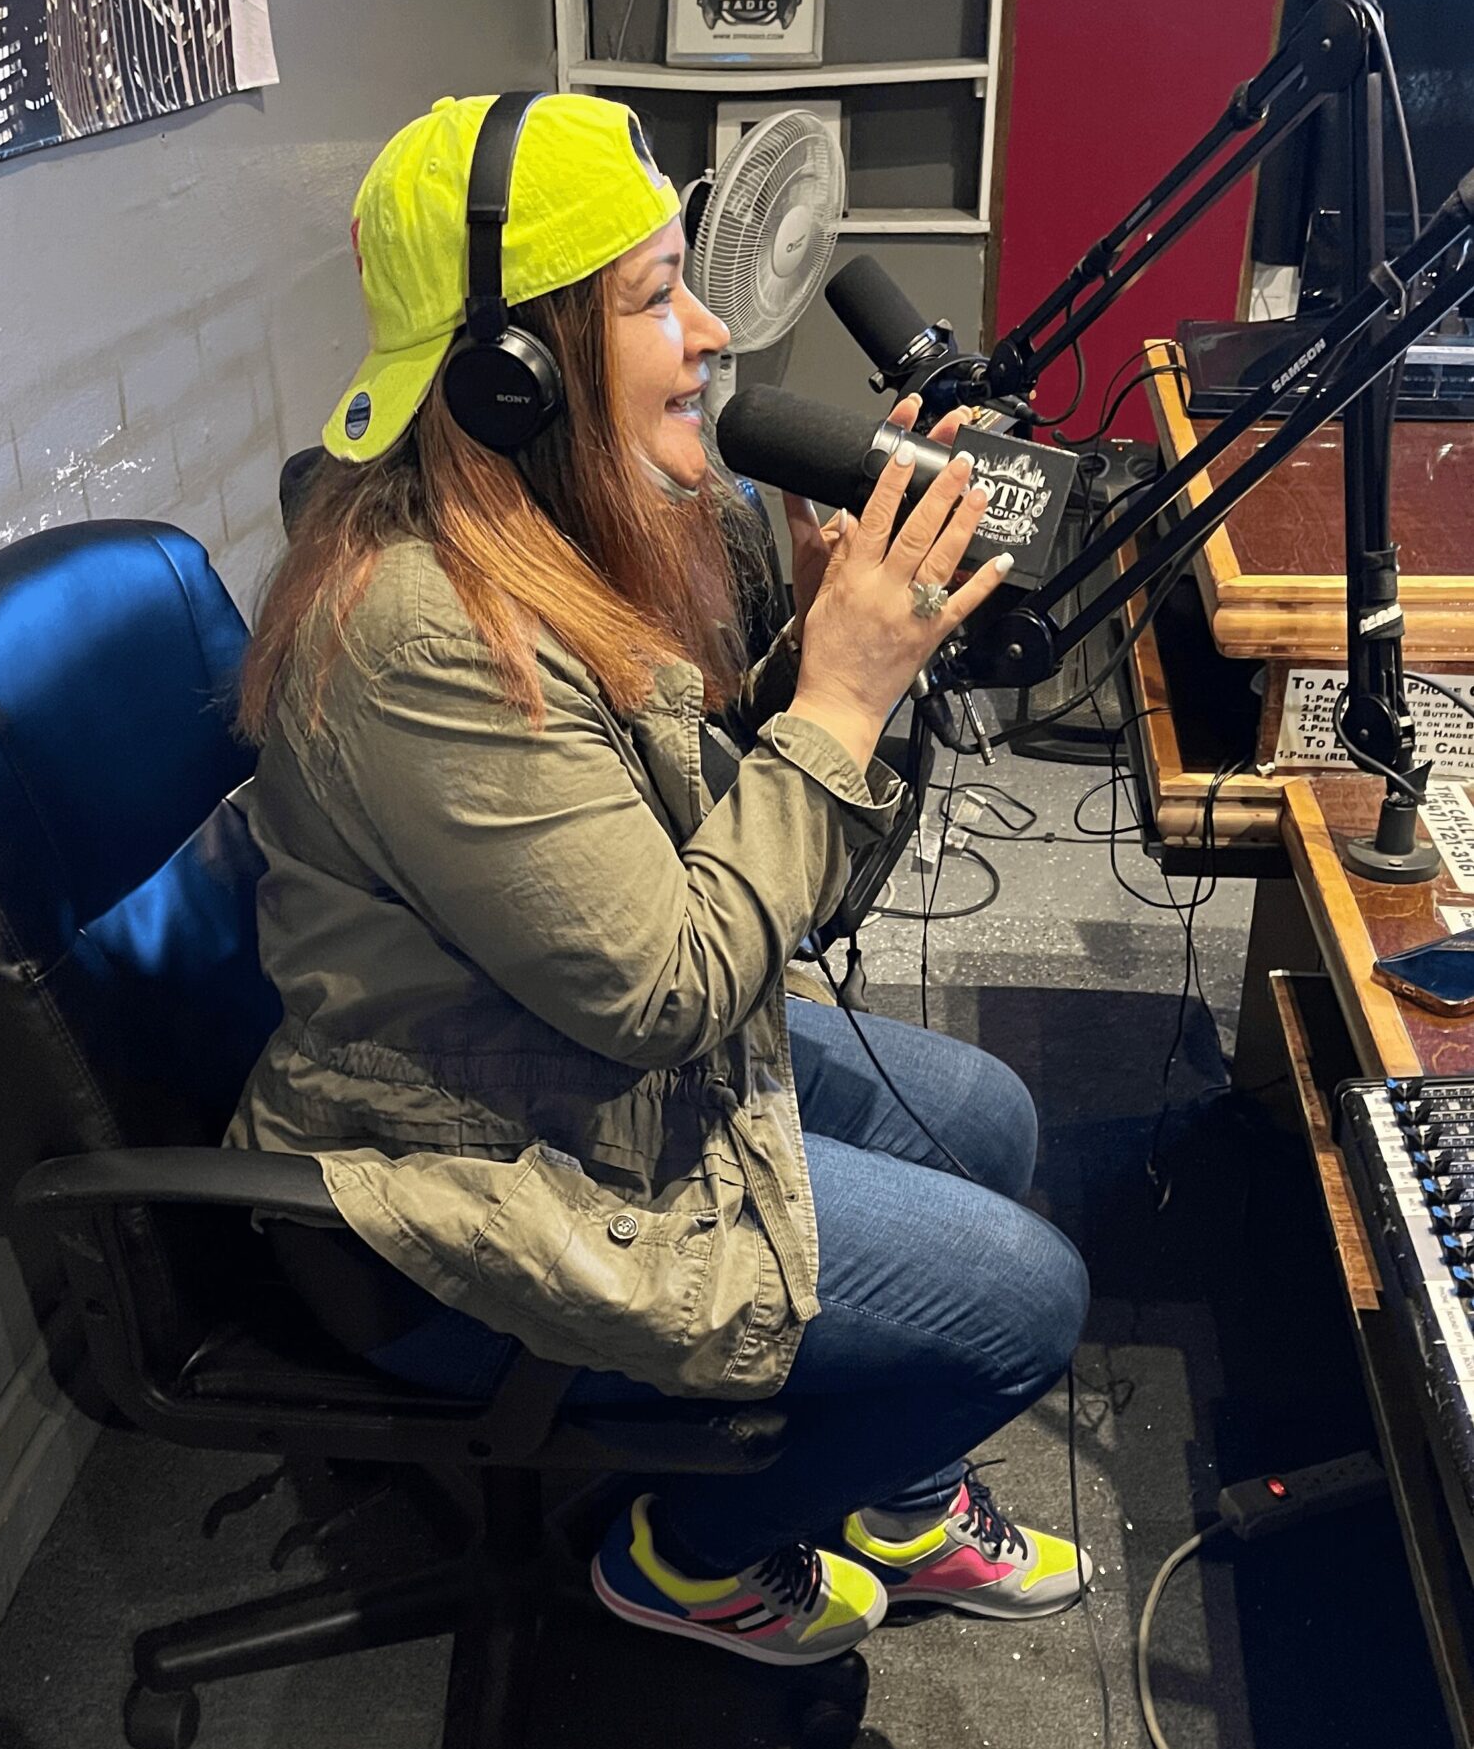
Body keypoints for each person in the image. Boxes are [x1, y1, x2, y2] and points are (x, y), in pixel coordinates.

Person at [227, 91, 1091, 1666]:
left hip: (553, 1056)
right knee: (1022, 1303)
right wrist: (838, 706)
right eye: (651, 299)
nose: (708, 335)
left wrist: (813, 669)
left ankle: (890, 1494)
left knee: (989, 1118)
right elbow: (664, 988)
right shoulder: (420, 627)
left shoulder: (549, 539)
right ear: (514, 371)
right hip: (447, 1166)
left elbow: (676, 840)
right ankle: (685, 1556)